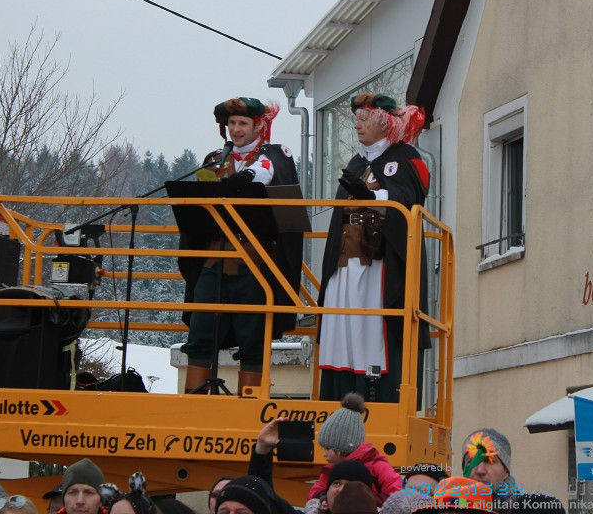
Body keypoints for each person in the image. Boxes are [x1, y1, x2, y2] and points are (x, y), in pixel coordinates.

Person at [179, 97, 303, 395]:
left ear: (258, 125)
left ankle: (250, 409)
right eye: (231, 123)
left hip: (254, 262)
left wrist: (247, 177)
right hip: (214, 260)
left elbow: (269, 171)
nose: (236, 129)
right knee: (200, 332)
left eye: (242, 123)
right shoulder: (215, 158)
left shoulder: (274, 154)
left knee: (253, 337)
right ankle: (192, 408)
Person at [317, 92, 430, 404]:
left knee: (372, 330)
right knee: (342, 330)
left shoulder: (407, 158)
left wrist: (373, 198)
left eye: (364, 118)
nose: (357, 124)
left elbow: (409, 203)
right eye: (356, 118)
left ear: (386, 121)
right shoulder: (356, 163)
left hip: (380, 264)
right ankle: (339, 395)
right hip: (345, 262)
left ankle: (376, 395)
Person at [306, 394, 399, 505]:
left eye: (328, 449)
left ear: (344, 447)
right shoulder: (331, 470)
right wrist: (324, 498)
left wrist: (369, 503)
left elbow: (396, 492)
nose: (324, 454)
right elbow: (315, 490)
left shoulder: (376, 465)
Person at [460, 429, 564, 513]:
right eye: (472, 461)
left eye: (489, 461)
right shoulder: (450, 506)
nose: (480, 470)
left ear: (506, 471)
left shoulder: (531, 509)